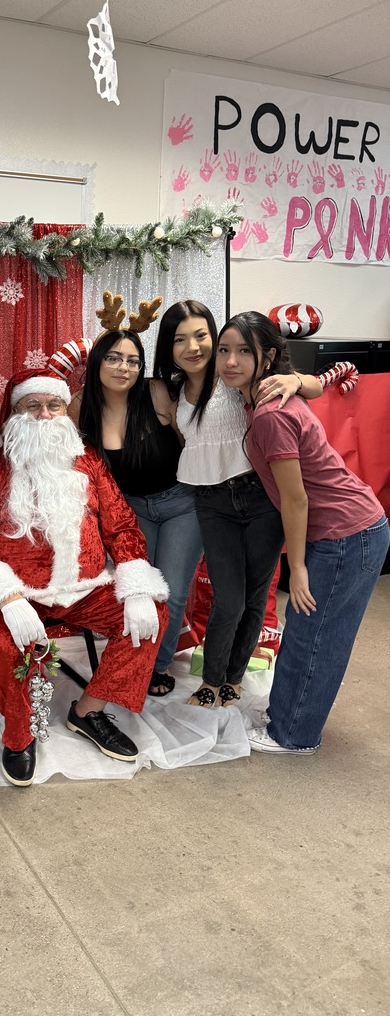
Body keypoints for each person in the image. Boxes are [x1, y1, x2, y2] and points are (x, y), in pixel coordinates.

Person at [0, 367, 170, 787]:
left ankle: (88, 711)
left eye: (54, 405)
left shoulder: (88, 462)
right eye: (32, 405)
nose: (45, 414)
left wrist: (136, 584)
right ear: (14, 413)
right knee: (3, 646)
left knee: (151, 616)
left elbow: (122, 526)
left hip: (85, 589)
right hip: (19, 593)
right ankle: (18, 737)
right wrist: (7, 598)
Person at [217, 311, 389, 753]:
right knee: (310, 630)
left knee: (315, 634)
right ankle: (288, 715)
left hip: (345, 534)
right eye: (224, 350)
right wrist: (297, 380)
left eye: (244, 351)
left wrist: (296, 568)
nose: (231, 361)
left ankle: (293, 734)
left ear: (268, 356)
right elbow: (316, 383)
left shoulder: (269, 413)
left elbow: (296, 500)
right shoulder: (266, 393)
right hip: (351, 528)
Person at [152, 300, 322, 710]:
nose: (193, 347)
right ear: (168, 347)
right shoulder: (169, 393)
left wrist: (295, 380)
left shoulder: (231, 377)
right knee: (228, 599)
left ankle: (233, 678)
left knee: (254, 597)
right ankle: (211, 680)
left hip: (260, 496)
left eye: (201, 336)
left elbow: (314, 385)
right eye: (179, 339)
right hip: (212, 503)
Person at [69, 302, 202, 698]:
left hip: (181, 504)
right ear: (97, 362)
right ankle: (135, 662)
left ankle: (156, 666)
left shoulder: (155, 392)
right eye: (113, 358)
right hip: (130, 512)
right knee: (141, 592)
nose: (123, 367)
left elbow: (191, 443)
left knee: (172, 591)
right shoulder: (81, 406)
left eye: (132, 360)